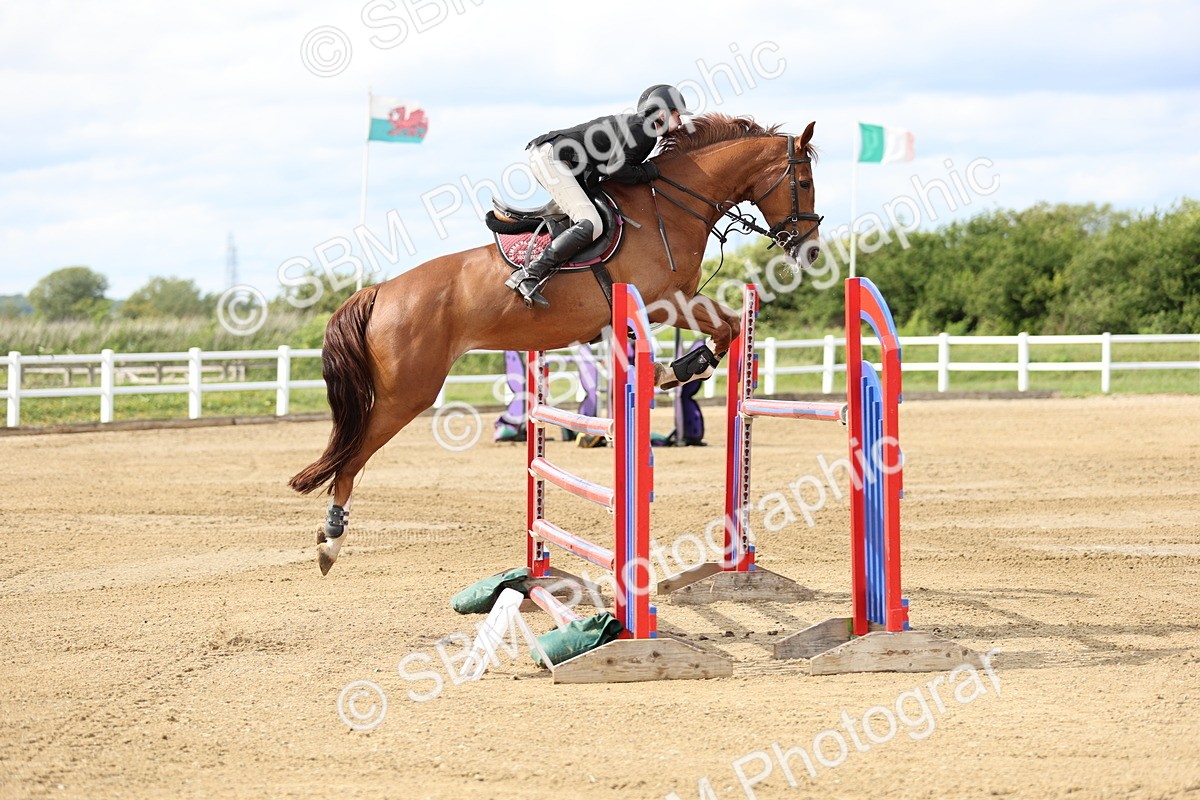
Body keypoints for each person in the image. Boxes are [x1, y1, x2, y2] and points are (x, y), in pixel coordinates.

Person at [506, 84, 692, 308]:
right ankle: (528, 273)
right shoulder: (643, 130)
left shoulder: (641, 128)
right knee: (591, 223)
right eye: (677, 115)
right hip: (553, 158)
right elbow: (617, 169)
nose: (680, 122)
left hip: (564, 160)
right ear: (662, 113)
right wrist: (648, 171)